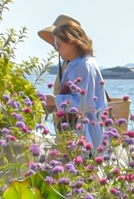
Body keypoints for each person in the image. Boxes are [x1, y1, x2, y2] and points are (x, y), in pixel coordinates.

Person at [37, 14, 110, 150]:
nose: (57, 49)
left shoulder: (83, 65)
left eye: (59, 45)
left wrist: (55, 100)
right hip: (79, 132)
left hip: (85, 134)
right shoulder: (76, 64)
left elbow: (84, 103)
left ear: (71, 42)